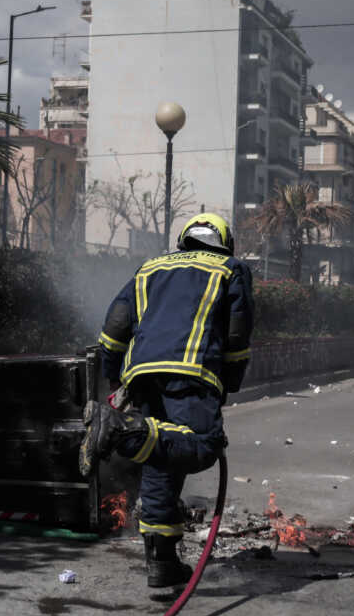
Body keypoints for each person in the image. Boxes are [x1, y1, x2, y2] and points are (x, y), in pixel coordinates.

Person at [81, 213, 254, 588]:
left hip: (141, 374)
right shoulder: (230, 268)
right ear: (224, 241)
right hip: (190, 373)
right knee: (203, 446)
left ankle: (162, 561)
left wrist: (115, 379)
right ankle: (123, 432)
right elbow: (237, 337)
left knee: (160, 456)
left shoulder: (149, 268)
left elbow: (113, 329)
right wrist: (229, 384)